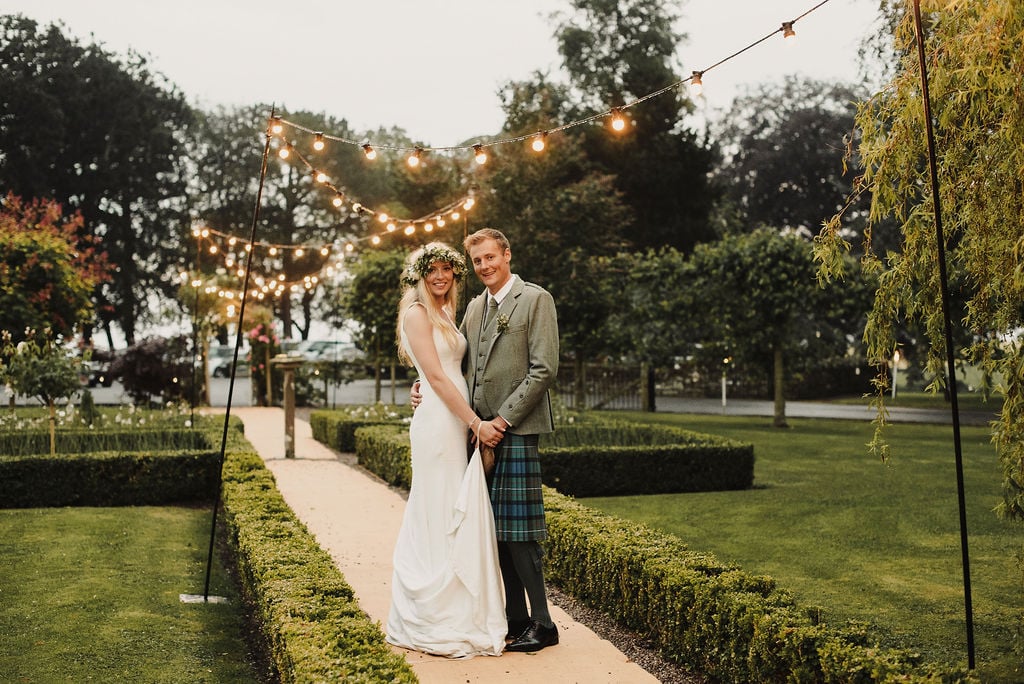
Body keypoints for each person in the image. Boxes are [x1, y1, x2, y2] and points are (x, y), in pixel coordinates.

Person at [385, 241, 507, 658]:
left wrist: (465, 417)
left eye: (447, 270)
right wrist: (475, 422)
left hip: (454, 419)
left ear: (454, 274)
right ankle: (435, 610)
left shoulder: (447, 313)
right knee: (438, 505)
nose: (440, 277)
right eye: (432, 270)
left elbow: (453, 370)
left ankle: (462, 604)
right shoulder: (416, 313)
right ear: (419, 275)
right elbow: (436, 377)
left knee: (458, 501)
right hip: (439, 424)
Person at [460, 227, 561, 653]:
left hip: (515, 430)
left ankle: (544, 623)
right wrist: (422, 387)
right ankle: (515, 619)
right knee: (496, 532)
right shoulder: (473, 307)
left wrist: (502, 419)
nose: (484, 266)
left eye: (490, 257)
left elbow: (544, 369)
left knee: (520, 533)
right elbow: (459, 362)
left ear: (507, 254)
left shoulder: (535, 299)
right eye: (477, 261)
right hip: (478, 432)